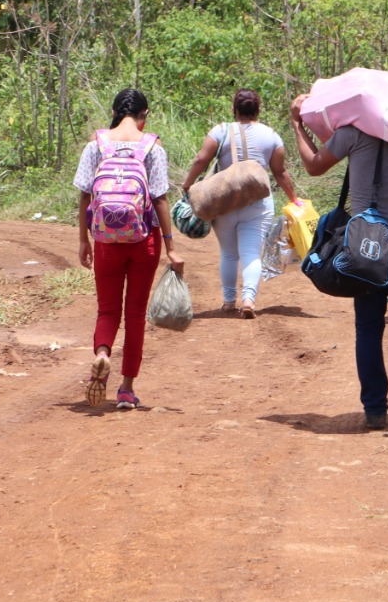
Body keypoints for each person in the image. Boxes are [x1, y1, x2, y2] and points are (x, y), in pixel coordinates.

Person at [289, 94, 388, 431]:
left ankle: (374, 410)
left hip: (366, 250)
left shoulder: (353, 132)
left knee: (369, 328)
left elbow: (314, 164)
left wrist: (297, 123)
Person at [74, 89, 184, 410]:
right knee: (135, 314)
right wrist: (171, 248)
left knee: (108, 310)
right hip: (143, 241)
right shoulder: (152, 147)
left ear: (114, 111)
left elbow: (84, 195)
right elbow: (160, 198)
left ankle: (102, 354)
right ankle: (126, 389)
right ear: (144, 115)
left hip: (106, 241)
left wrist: (83, 239)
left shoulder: (96, 144)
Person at [179, 89, 301, 318]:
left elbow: (201, 159)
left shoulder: (220, 131)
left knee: (229, 254)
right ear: (259, 110)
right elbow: (280, 172)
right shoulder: (271, 135)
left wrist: (187, 185)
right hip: (258, 203)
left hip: (224, 202)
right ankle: (248, 299)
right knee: (252, 253)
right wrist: (294, 198)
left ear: (234, 109)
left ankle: (228, 302)